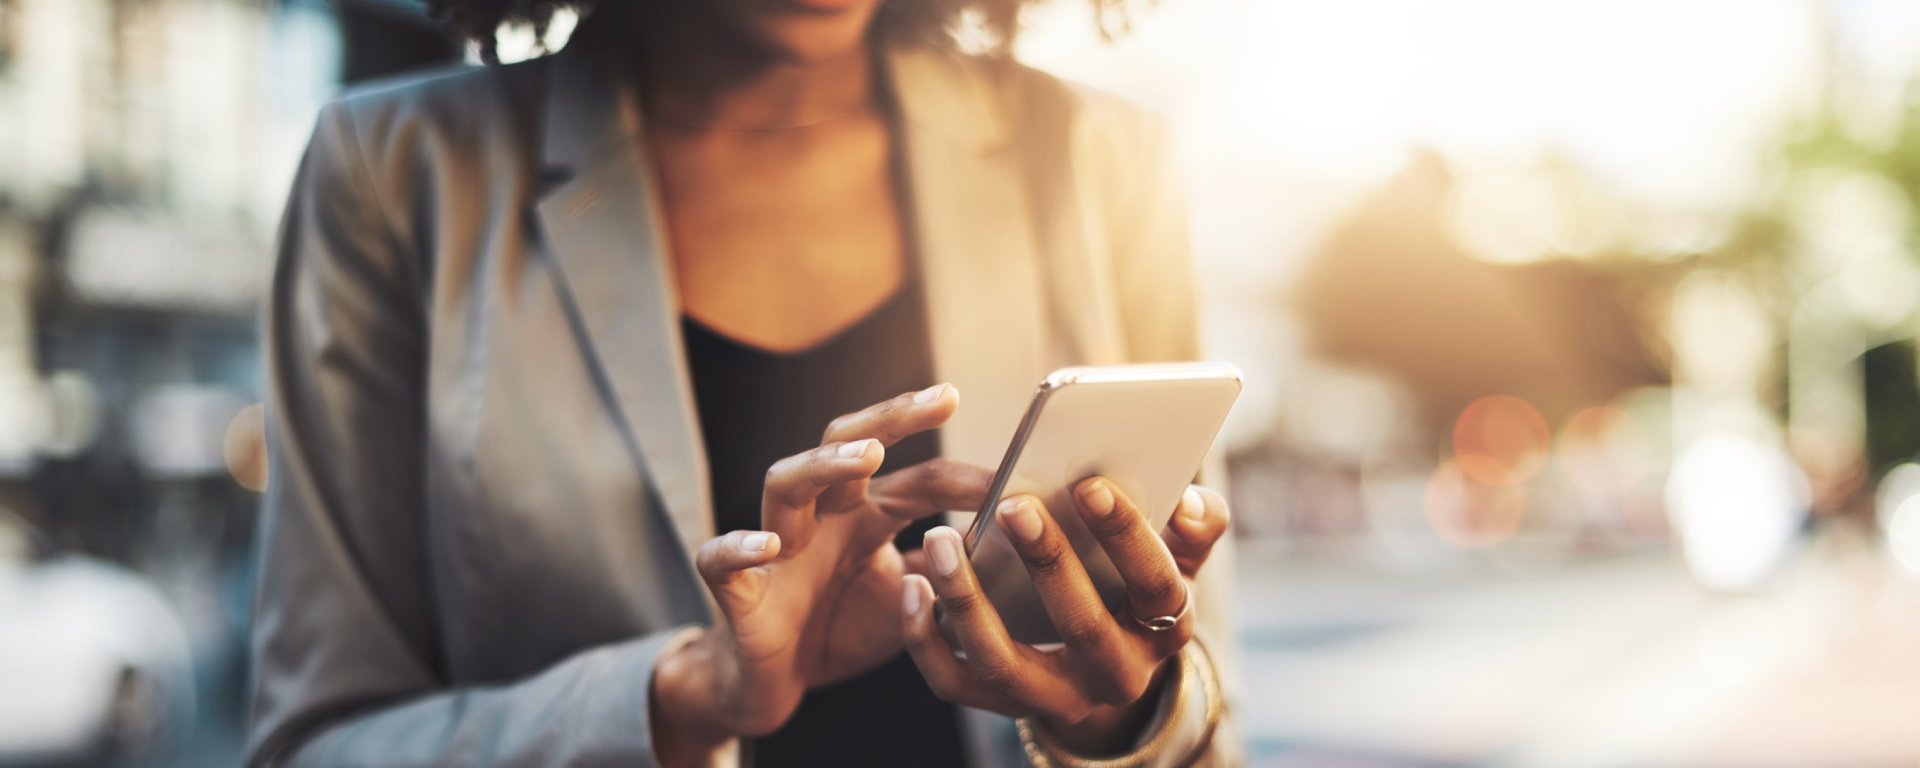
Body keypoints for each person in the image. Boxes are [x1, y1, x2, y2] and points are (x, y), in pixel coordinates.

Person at [246, 0, 1240, 765]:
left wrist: (1124, 720)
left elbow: (1209, 708)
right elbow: (317, 743)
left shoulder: (1099, 159)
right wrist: (687, 697)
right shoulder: (393, 174)